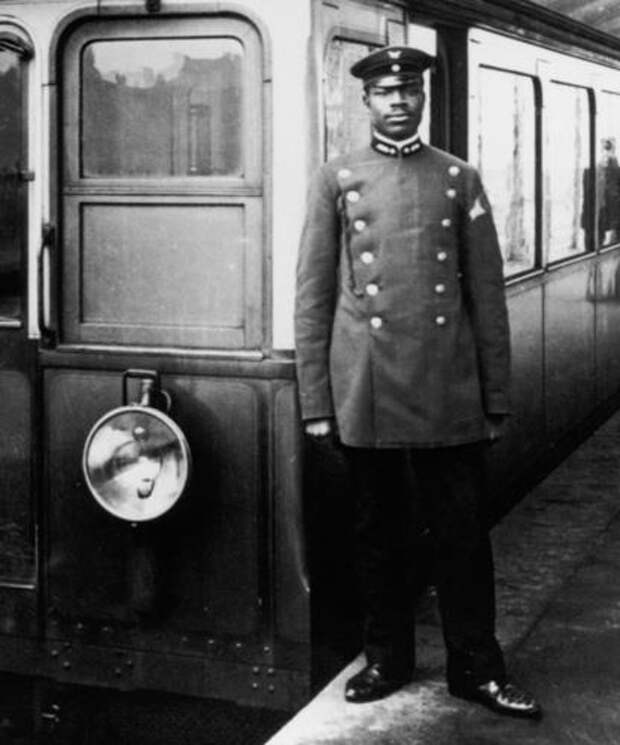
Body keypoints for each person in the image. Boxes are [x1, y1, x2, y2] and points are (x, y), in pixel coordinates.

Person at [294, 45, 541, 719]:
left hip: (446, 385)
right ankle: (387, 658)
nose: (398, 101)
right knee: (377, 534)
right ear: (367, 102)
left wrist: (495, 397)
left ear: (423, 100)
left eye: (408, 91)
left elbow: (486, 297)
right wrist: (318, 402)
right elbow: (313, 296)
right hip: (367, 387)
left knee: (462, 533)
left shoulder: (458, 178)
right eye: (385, 93)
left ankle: (477, 668)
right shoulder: (336, 178)